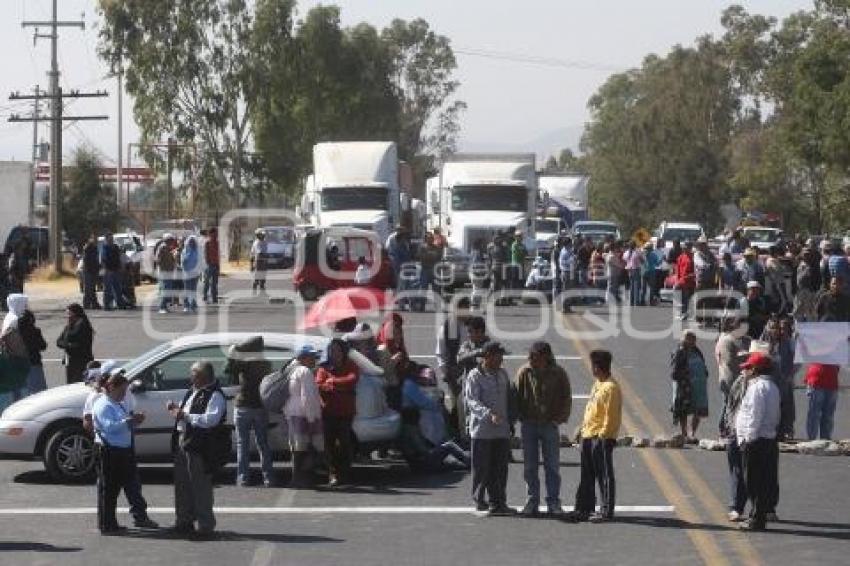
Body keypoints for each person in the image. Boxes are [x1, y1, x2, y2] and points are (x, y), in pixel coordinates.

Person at [168, 361, 227, 538]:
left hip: (201, 445)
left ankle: (205, 524)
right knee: (182, 484)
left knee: (200, 486)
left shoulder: (215, 395)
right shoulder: (192, 391)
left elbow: (211, 420)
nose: (190, 377)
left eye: (193, 374)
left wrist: (184, 415)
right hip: (183, 440)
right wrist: (176, 410)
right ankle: (183, 521)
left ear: (202, 377)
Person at [514, 342, 571, 516]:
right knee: (530, 467)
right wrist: (520, 417)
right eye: (530, 357)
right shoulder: (524, 372)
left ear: (546, 357)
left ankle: (554, 503)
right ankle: (532, 501)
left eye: (534, 357)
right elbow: (515, 394)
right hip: (529, 425)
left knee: (552, 466)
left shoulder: (558, 373)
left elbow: (566, 397)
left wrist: (558, 420)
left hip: (549, 425)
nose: (530, 360)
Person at [567, 350, 622, 523]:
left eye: (593, 365)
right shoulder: (598, 384)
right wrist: (582, 430)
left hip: (601, 437)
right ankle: (585, 508)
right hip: (588, 435)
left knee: (604, 475)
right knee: (587, 475)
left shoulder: (611, 388)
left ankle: (606, 511)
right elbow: (591, 410)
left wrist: (603, 437)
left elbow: (611, 416)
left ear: (598, 367)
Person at [92, 371, 146, 534]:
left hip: (122, 451)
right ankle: (106, 524)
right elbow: (109, 427)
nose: (124, 394)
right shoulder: (103, 405)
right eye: (122, 390)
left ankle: (111, 523)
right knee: (108, 490)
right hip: (108, 451)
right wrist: (129, 421)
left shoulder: (117, 403)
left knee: (115, 489)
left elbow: (122, 425)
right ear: (111, 388)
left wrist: (134, 421)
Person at [465, 342, 515, 516]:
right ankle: (480, 500)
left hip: (501, 430)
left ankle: (499, 502)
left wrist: (511, 422)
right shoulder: (474, 376)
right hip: (482, 431)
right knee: (482, 468)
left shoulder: (503, 374)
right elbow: (472, 401)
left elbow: (509, 399)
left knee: (500, 469)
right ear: (487, 357)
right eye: (498, 356)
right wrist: (488, 414)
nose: (501, 359)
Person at [735, 352, 781, 531]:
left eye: (748, 367)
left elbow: (755, 415)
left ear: (755, 369)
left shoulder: (757, 388)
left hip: (756, 441)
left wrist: (748, 439)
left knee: (753, 482)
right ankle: (758, 515)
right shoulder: (772, 387)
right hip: (767, 439)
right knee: (763, 480)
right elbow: (776, 415)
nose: (746, 370)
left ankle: (756, 518)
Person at [400, 364, 470, 472]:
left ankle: (468, 460)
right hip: (423, 464)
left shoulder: (408, 427)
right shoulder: (410, 430)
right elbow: (422, 451)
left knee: (456, 463)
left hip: (421, 463)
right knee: (450, 446)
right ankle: (472, 461)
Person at [228, 337, 274, 487]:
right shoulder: (266, 364)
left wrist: (233, 352)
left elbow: (227, 371)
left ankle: (243, 477)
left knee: (242, 444)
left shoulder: (243, 363)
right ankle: (268, 477)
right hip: (260, 407)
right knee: (263, 443)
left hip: (243, 406)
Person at [315, 339, 359, 487]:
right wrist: (336, 386)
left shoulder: (350, 365)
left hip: (346, 412)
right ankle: (333, 474)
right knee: (329, 445)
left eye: (338, 350)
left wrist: (333, 382)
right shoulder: (323, 367)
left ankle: (344, 473)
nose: (335, 353)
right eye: (332, 350)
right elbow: (320, 385)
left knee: (345, 443)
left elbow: (352, 379)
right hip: (328, 412)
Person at [283, 344, 325, 487]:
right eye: (311, 357)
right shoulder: (305, 372)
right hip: (304, 415)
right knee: (307, 449)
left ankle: (296, 478)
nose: (314, 359)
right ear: (303, 358)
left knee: (296, 449)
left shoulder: (291, 370)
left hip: (292, 414)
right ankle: (303, 479)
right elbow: (307, 397)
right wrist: (312, 419)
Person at [721, 367, 749, 522]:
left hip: (750, 434)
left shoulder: (762, 386)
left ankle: (763, 509)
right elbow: (730, 404)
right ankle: (736, 507)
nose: (746, 369)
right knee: (737, 470)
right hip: (736, 431)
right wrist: (729, 425)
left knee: (754, 473)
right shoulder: (740, 382)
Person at [670, 331, 709, 440]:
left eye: (693, 339)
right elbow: (674, 373)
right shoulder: (679, 352)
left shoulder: (697, 351)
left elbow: (703, 363)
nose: (692, 342)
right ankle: (684, 433)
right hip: (685, 386)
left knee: (698, 410)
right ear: (684, 340)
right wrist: (685, 376)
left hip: (698, 386)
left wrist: (704, 373)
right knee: (684, 410)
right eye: (690, 339)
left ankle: (692, 433)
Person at [56, 303, 94, 384]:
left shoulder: (83, 325)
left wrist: (68, 344)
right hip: (70, 361)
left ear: (75, 313)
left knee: (79, 383)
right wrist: (68, 345)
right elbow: (59, 341)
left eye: (69, 313)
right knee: (71, 383)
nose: (68, 316)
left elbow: (81, 344)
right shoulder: (69, 326)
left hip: (81, 361)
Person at [804, 363, 839, 440]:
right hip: (816, 380)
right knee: (815, 414)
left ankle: (825, 440)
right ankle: (811, 440)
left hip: (831, 381)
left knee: (827, 415)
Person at [17, 309, 47, 394]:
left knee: (25, 390)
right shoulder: (35, 331)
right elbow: (43, 346)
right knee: (39, 390)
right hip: (34, 361)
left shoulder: (17, 332)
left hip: (21, 362)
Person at [100, 233, 126, 311]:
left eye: (112, 238)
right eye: (109, 238)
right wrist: (106, 269)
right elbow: (103, 260)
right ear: (106, 239)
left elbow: (119, 257)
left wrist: (121, 266)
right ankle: (107, 305)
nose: (111, 240)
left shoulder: (116, 247)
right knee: (107, 289)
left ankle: (120, 304)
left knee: (118, 288)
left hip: (116, 270)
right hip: (108, 271)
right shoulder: (104, 248)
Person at [675, 242, 696, 320]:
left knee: (688, 298)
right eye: (684, 247)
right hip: (681, 281)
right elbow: (677, 270)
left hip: (690, 281)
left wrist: (692, 276)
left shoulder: (693, 257)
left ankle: (687, 313)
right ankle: (682, 313)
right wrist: (677, 280)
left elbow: (695, 270)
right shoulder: (681, 257)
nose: (685, 249)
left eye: (686, 247)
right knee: (681, 297)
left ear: (690, 248)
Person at [157, 234, 177, 314]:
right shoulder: (163, 247)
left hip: (168, 272)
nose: (172, 242)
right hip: (165, 272)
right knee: (165, 290)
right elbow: (159, 260)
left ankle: (164, 306)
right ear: (167, 240)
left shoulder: (167, 248)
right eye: (171, 240)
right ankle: (162, 307)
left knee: (167, 289)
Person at [180, 236, 200, 313]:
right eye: (190, 242)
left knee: (193, 290)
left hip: (195, 273)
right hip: (186, 273)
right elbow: (182, 262)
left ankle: (193, 305)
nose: (192, 243)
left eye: (193, 241)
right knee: (187, 290)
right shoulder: (184, 251)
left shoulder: (197, 251)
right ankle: (186, 305)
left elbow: (200, 262)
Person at [81, 235, 101, 310]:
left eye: (96, 239)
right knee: (88, 289)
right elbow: (86, 261)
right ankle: (86, 304)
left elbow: (96, 260)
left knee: (92, 288)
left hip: (93, 270)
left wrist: (97, 268)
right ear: (90, 239)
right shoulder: (87, 247)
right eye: (93, 239)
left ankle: (94, 304)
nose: (95, 240)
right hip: (88, 271)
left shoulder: (95, 248)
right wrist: (90, 269)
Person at [623, 241, 645, 307]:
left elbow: (624, 260)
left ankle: (631, 302)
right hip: (636, 269)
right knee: (636, 286)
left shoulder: (626, 253)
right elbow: (642, 261)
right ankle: (636, 302)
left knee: (631, 286)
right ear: (635, 246)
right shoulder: (637, 252)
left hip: (629, 270)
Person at [202, 228, 220, 304]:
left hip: (216, 264)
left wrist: (218, 265)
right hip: (209, 265)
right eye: (215, 234)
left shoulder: (217, 243)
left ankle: (214, 298)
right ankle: (205, 295)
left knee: (214, 283)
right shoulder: (207, 243)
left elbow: (218, 255)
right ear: (211, 234)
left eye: (216, 234)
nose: (216, 235)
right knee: (207, 282)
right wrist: (208, 263)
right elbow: (206, 254)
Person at [250, 229, 268, 294]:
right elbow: (256, 253)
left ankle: (262, 288)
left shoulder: (265, 242)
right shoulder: (256, 243)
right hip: (258, 260)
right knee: (257, 276)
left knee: (263, 276)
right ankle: (254, 290)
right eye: (261, 235)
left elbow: (265, 252)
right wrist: (251, 265)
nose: (262, 236)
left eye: (263, 235)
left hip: (264, 260)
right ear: (257, 235)